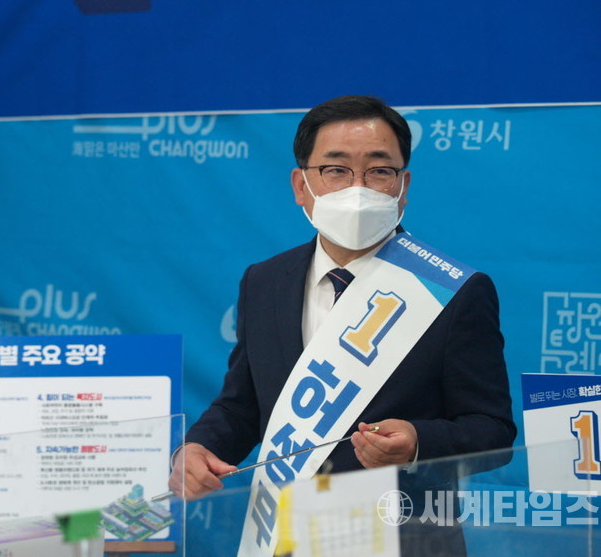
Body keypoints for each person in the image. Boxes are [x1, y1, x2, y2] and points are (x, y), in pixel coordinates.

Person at [168, 95, 516, 554]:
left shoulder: (452, 291)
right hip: (290, 534)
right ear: (301, 185)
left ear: (403, 186)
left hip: (402, 536)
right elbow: (243, 406)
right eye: (336, 170)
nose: (358, 187)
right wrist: (196, 448)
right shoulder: (265, 281)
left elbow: (492, 429)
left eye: (379, 171)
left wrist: (417, 442)